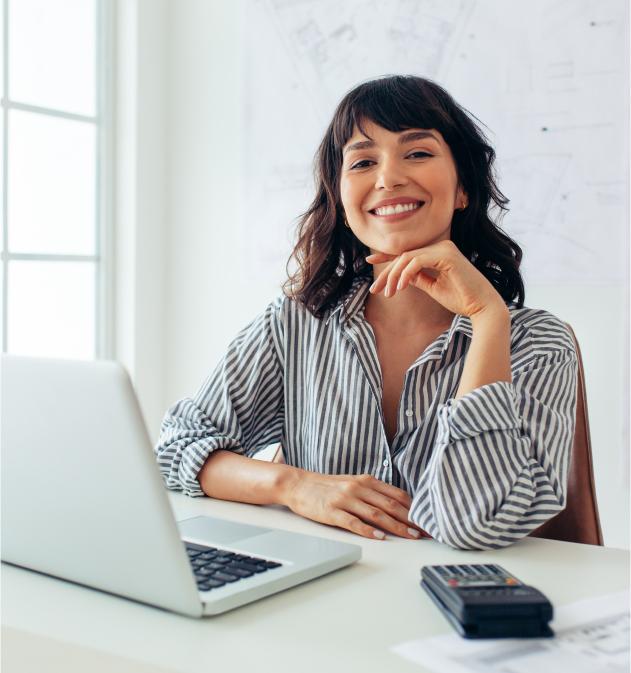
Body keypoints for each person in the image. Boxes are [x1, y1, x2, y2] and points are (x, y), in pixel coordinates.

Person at [155, 75, 578, 550]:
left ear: (463, 188)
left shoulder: (539, 343)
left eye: (417, 153)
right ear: (339, 196)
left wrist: (487, 318)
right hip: (319, 595)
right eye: (362, 161)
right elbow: (175, 450)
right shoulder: (295, 323)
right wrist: (293, 486)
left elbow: (473, 524)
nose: (388, 178)